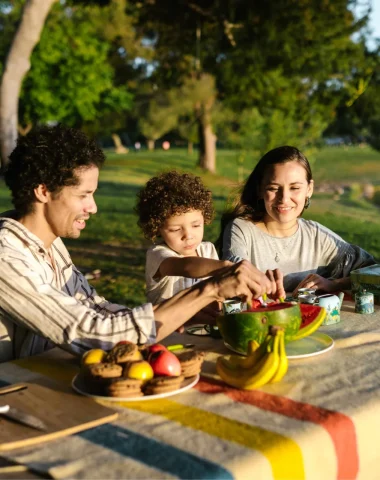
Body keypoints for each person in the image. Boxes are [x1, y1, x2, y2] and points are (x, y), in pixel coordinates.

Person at [0, 125, 274, 362]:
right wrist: (210, 289)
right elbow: (92, 334)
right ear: (43, 191)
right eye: (84, 195)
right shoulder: (6, 256)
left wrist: (181, 313)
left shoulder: (50, 244)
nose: (93, 207)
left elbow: (96, 309)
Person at [218, 145, 375, 295]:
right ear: (260, 190)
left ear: (309, 189)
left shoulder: (317, 237)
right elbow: (234, 277)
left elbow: (373, 271)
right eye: (273, 188)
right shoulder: (242, 230)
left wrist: (335, 284)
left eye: (294, 188)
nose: (284, 199)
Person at [135, 171, 232, 326]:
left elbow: (218, 294)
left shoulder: (208, 250)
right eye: (175, 229)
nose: (188, 235)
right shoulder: (158, 255)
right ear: (157, 228)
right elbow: (184, 266)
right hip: (167, 333)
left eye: (195, 225)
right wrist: (227, 268)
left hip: (205, 332)